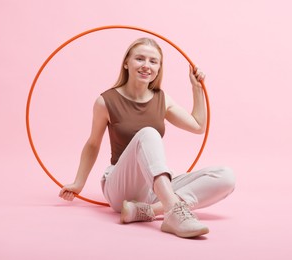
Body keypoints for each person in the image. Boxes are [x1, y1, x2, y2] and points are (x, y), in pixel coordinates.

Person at [59, 37, 235, 238]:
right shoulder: (106, 101)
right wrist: (78, 183)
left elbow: (198, 126)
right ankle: (174, 213)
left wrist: (196, 88)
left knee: (225, 176)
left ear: (159, 68)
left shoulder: (162, 98)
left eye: (153, 61)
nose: (146, 66)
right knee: (149, 133)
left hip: (153, 190)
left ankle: (148, 211)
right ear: (126, 63)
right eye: (139, 59)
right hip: (120, 186)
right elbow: (92, 144)